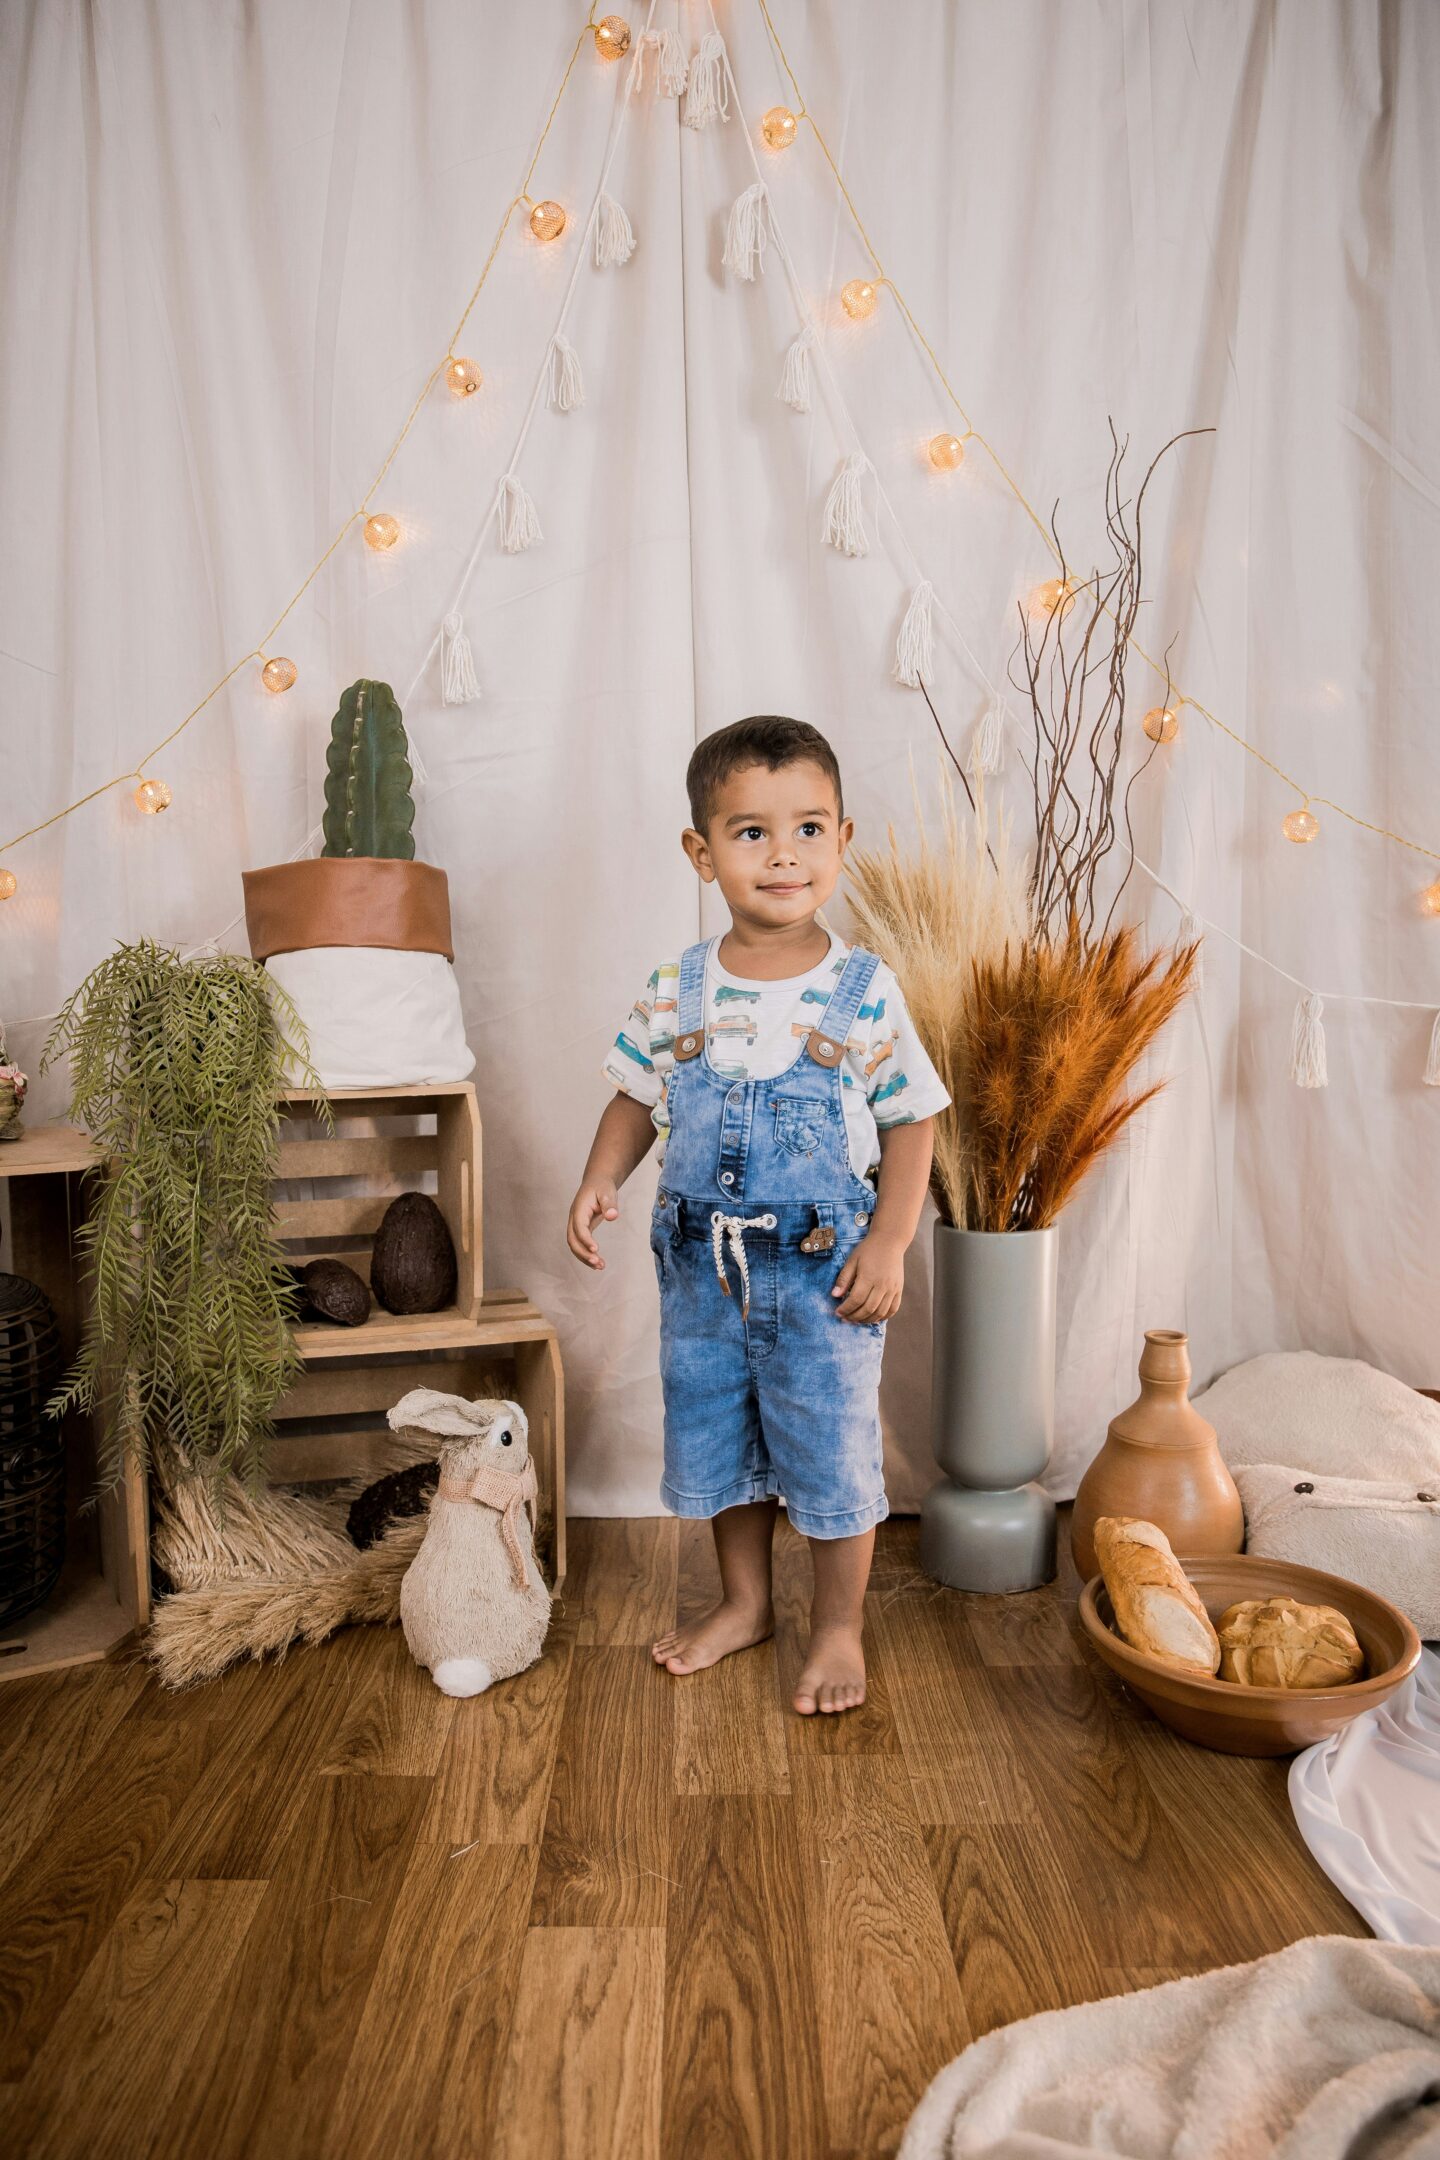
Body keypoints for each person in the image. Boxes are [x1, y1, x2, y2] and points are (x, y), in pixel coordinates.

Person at [566, 716, 949, 1714]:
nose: (785, 855)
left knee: (829, 1446)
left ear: (842, 840)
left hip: (825, 1277)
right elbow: (635, 1099)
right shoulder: (677, 989)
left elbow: (912, 1120)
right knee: (716, 1438)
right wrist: (601, 1176)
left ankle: (837, 1625)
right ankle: (745, 1603)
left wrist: (891, 1241)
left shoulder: (864, 992)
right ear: (702, 853)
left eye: (809, 829)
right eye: (751, 833)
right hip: (702, 1278)